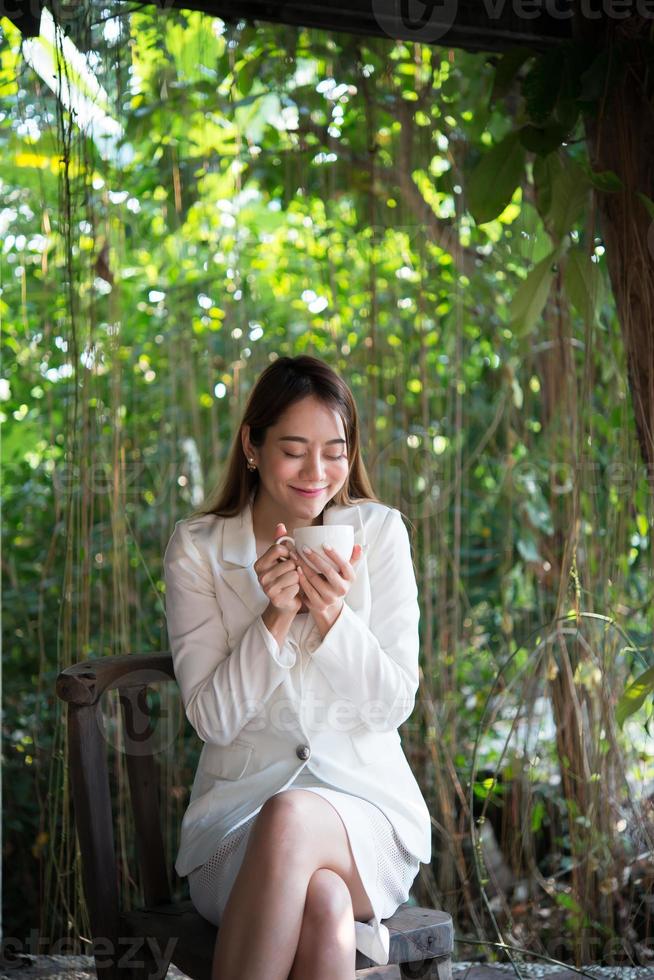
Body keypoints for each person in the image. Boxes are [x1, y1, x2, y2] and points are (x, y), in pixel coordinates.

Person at [163, 354, 431, 980]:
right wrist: (274, 618)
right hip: (235, 828)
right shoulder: (200, 549)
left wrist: (335, 617)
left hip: (368, 822)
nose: (319, 472)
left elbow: (393, 705)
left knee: (297, 820)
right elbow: (213, 720)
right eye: (294, 449)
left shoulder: (380, 534)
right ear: (251, 447)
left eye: (335, 451)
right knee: (324, 905)